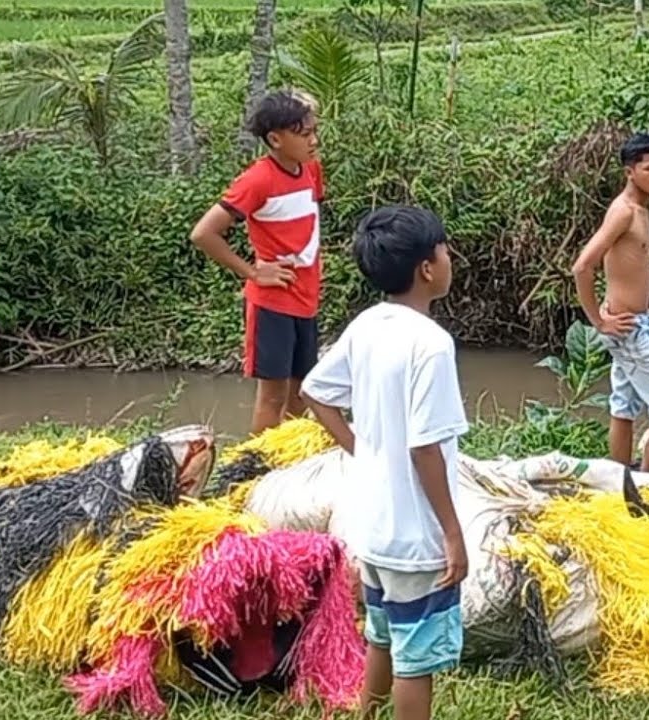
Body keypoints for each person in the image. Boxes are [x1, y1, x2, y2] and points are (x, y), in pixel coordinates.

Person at [299, 205, 469, 720]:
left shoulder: (368, 324)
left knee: (382, 633)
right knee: (416, 660)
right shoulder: (432, 345)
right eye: (443, 250)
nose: (448, 257)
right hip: (414, 536)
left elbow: (314, 391)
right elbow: (424, 448)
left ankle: (367, 712)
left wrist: (362, 449)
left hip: (372, 527)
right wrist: (452, 533)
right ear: (426, 268)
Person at [190, 89, 325, 436]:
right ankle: (259, 468)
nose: (313, 141)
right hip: (273, 302)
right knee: (272, 395)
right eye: (304, 133)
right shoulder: (257, 180)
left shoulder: (311, 170)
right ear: (275, 139)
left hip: (306, 299)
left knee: (302, 391)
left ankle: (289, 462)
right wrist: (252, 271)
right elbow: (203, 233)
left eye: (314, 131)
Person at [571, 132, 649, 472]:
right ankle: (646, 488)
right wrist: (599, 321)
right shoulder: (623, 212)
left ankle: (619, 480)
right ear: (629, 172)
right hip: (626, 328)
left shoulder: (639, 210)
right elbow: (582, 266)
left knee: (624, 405)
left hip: (634, 324)